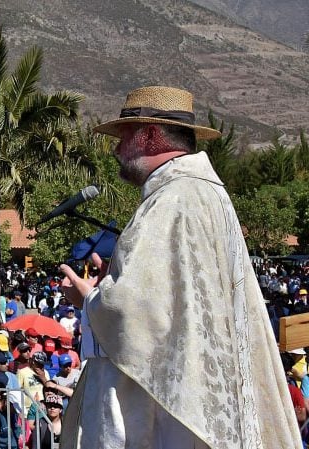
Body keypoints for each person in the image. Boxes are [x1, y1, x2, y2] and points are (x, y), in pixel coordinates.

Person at [58, 86, 302, 448]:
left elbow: (135, 311)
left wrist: (88, 299)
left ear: (152, 136)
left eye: (124, 137)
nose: (116, 149)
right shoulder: (204, 194)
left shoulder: (172, 200)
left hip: (169, 415)